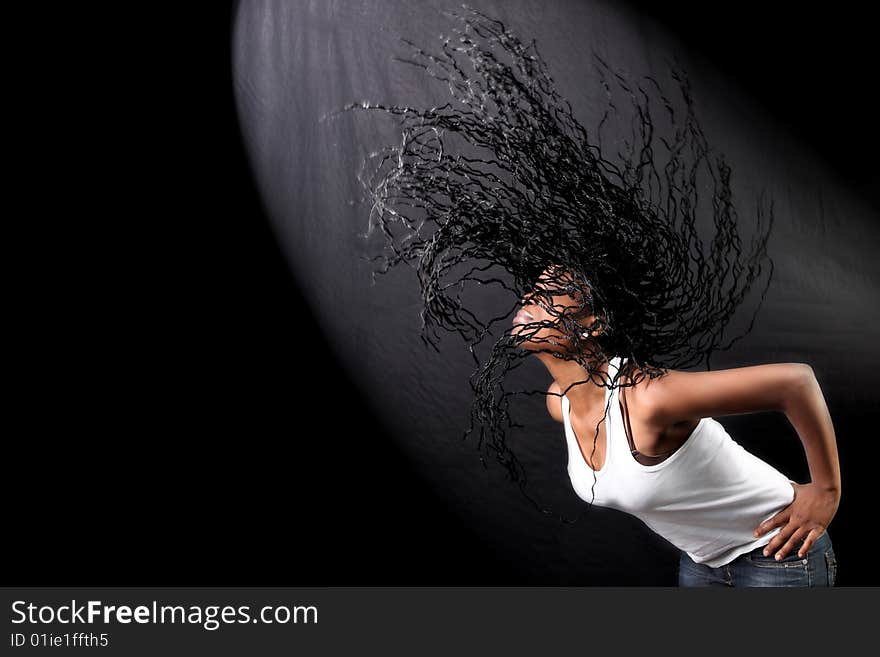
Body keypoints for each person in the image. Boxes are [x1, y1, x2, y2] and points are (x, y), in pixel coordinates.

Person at [512, 265, 841, 587]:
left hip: (778, 552)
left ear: (592, 326)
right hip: (702, 563)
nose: (529, 298)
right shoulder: (560, 402)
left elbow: (796, 383)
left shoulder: (647, 398)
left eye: (549, 294)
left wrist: (826, 491)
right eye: (533, 292)